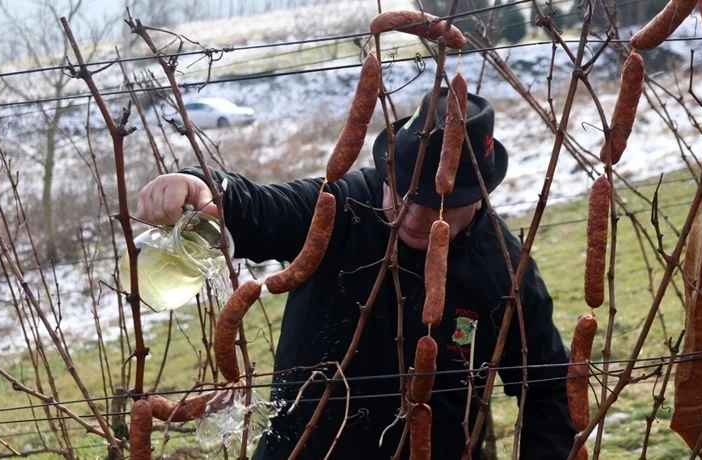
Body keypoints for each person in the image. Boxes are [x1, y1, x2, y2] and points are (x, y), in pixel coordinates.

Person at [136, 88, 577, 459]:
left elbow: (548, 392)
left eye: (440, 203)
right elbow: (263, 210)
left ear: (479, 194)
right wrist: (201, 188)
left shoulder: (503, 268)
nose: (415, 213)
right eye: (404, 191)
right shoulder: (340, 209)